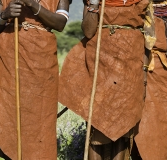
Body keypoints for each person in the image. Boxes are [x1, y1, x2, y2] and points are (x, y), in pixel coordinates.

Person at [58, 0, 155, 159]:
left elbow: (149, 37)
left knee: (124, 124)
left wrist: (144, 73)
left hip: (130, 65)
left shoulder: (144, 1)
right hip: (101, 63)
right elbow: (88, 32)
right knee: (97, 122)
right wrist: (94, 5)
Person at [0, 0, 71, 159]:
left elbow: (60, 23)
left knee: (39, 116)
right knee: (5, 113)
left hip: (41, 59)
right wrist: (4, 15)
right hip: (7, 59)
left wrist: (33, 5)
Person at [132, 0, 167, 159]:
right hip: (144, 71)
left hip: (166, 74)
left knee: (164, 124)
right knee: (144, 124)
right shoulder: (138, 6)